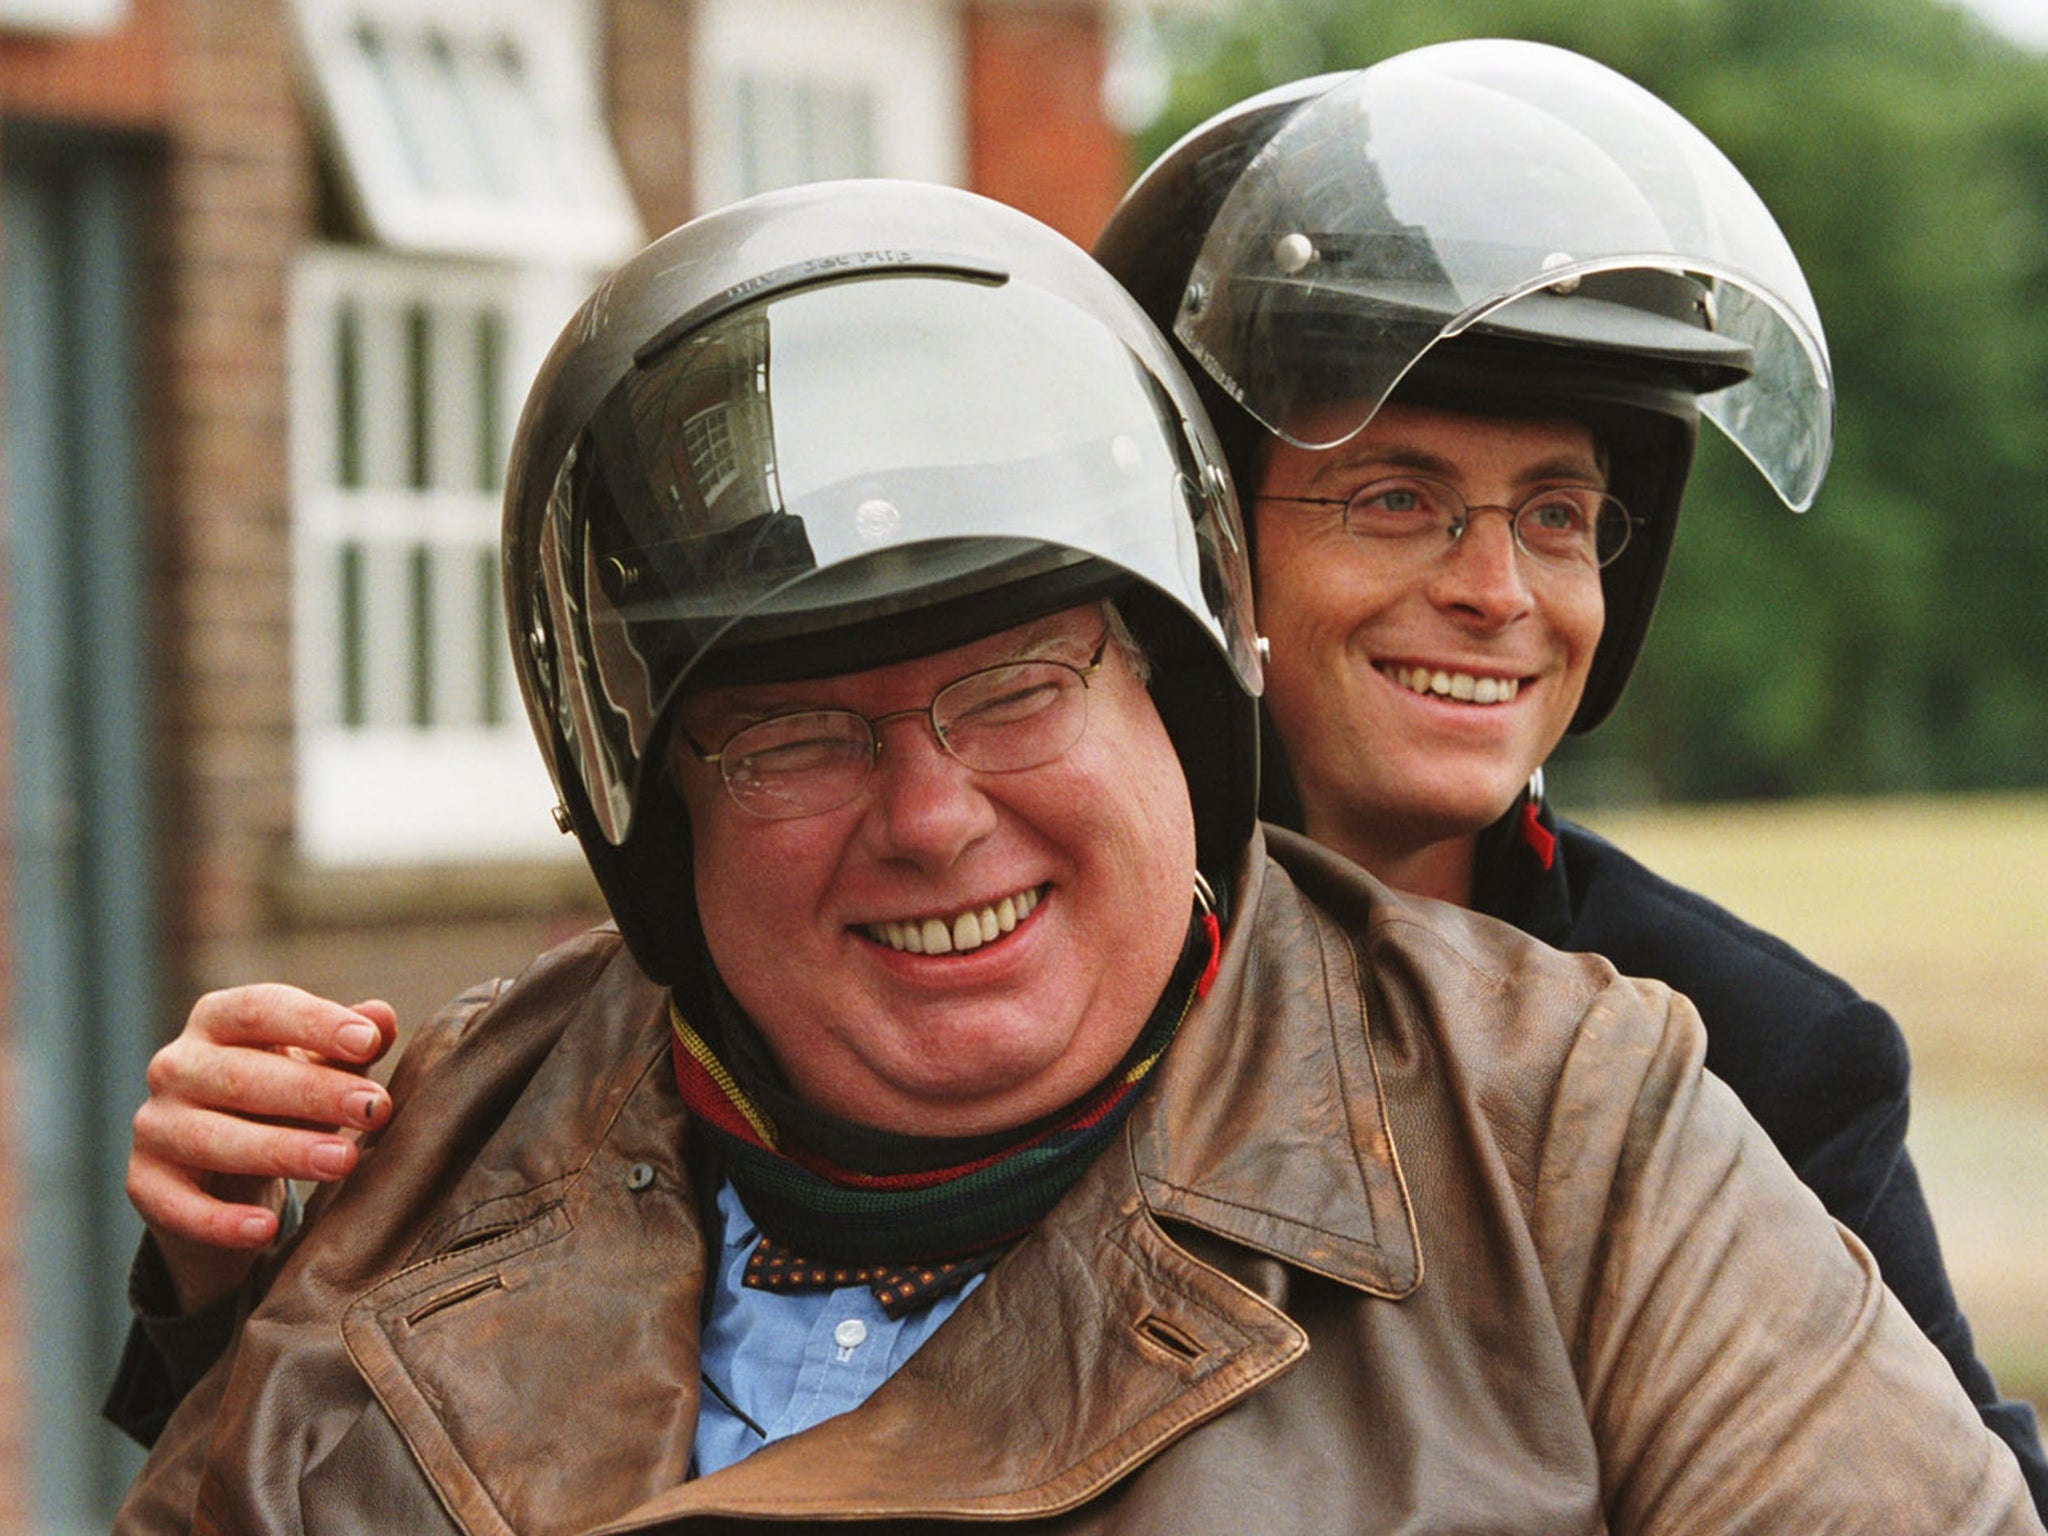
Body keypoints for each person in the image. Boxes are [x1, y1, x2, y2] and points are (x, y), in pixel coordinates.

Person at [110, 179, 2042, 1535]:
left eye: (1019, 687)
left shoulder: (1594, 1122)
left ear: (1184, 700)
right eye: (791, 734)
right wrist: (223, 1285)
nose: (930, 812)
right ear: (656, 821)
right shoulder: (430, 1162)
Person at [1091, 34, 2048, 1509]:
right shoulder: (1033, 998)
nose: (1498, 589)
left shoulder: (1758, 1053)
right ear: (1209, 552)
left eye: (1554, 514)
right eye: (1400, 498)